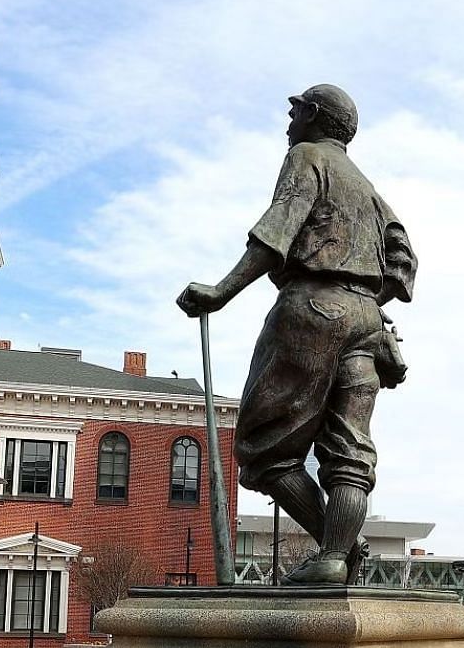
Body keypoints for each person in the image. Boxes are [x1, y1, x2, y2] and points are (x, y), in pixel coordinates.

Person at [177, 84, 415, 585]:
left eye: (294, 111)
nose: (288, 122)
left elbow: (275, 233)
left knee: (264, 450)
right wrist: (363, 304)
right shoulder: (368, 187)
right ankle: (335, 551)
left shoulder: (307, 157)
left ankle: (337, 544)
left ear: (312, 115)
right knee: (350, 449)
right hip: (368, 320)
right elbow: (403, 261)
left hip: (310, 311)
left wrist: (219, 292)